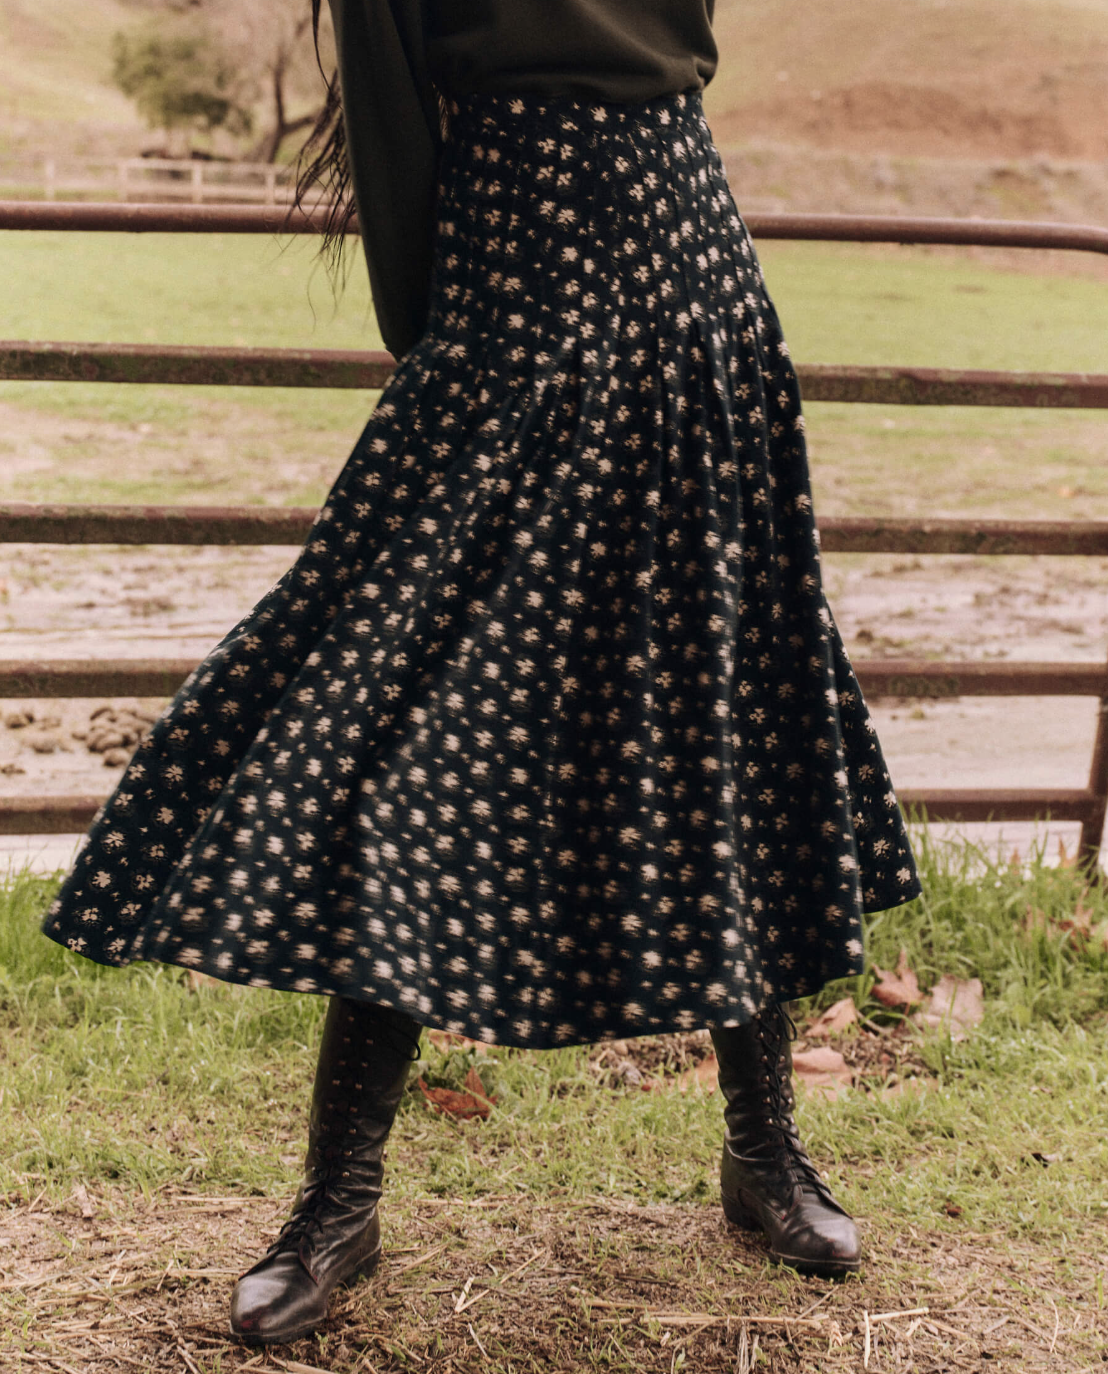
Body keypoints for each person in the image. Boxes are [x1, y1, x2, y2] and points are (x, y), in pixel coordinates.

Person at [41, 0, 922, 1346]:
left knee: (714, 715)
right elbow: (395, 142)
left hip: (693, 292)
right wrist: (464, 345)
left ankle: (763, 1152)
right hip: (515, 304)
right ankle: (341, 1199)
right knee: (415, 732)